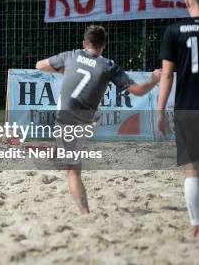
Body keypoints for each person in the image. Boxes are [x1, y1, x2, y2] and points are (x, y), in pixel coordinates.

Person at [36, 25, 160, 214]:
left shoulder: (71, 56)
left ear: (84, 43)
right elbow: (139, 91)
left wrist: (66, 70)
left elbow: (40, 65)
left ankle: (84, 214)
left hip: (68, 118)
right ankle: (56, 156)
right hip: (88, 120)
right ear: (103, 46)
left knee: (72, 171)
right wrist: (153, 80)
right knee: (75, 126)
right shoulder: (108, 65)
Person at [157, 0, 199, 239]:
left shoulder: (175, 30)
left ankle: (196, 226)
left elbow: (167, 75)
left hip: (188, 109)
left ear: (187, 3)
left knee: (192, 170)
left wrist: (160, 110)